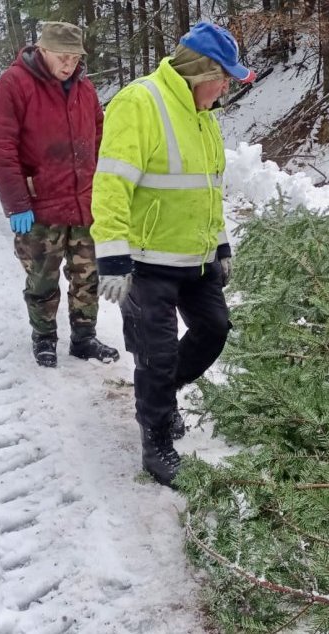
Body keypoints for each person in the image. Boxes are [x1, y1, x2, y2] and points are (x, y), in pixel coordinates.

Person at [90, 22, 255, 487]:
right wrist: (114, 257)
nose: (226, 88)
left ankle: (162, 395)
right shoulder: (140, 103)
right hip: (147, 261)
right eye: (224, 78)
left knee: (214, 328)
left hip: (196, 259)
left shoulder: (205, 116)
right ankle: (156, 437)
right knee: (156, 356)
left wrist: (220, 244)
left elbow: (206, 192)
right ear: (201, 72)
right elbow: (111, 185)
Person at [0, 21, 119, 368]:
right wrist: (16, 203)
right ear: (42, 49)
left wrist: (101, 188)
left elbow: (100, 138)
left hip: (83, 202)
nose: (69, 65)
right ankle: (44, 337)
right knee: (42, 276)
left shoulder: (84, 89)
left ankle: (84, 338)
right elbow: (1, 148)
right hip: (39, 205)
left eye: (75, 58)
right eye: (62, 57)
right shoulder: (14, 84)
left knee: (87, 274)